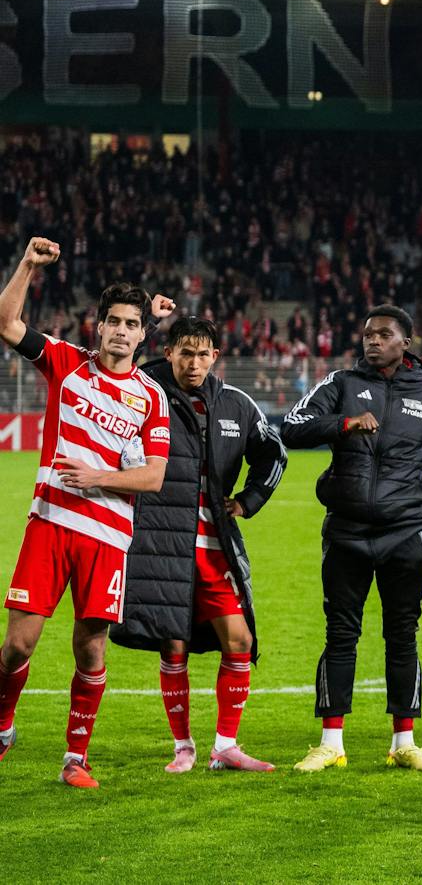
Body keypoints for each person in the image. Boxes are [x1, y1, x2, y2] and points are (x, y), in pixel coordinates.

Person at [0, 239, 170, 789]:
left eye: (131, 323)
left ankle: (76, 758)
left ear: (143, 334)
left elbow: (154, 476)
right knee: (18, 643)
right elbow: (5, 324)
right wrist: (28, 264)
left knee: (90, 646)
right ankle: (2, 728)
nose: (121, 330)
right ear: (97, 326)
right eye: (113, 321)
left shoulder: (151, 397)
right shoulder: (65, 363)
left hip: (108, 537)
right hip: (50, 524)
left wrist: (98, 477)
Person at [283, 303, 422, 773]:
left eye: (384, 334)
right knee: (340, 635)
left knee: (402, 636)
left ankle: (404, 741)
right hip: (346, 532)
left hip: (406, 536)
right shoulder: (341, 384)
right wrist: (344, 423)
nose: (372, 340)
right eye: (368, 334)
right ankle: (330, 743)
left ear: (406, 342)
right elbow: (292, 428)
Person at [112, 313, 287, 774]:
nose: (193, 363)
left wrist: (249, 500)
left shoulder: (236, 403)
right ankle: (183, 746)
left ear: (215, 356)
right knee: (174, 645)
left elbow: (275, 452)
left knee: (240, 640)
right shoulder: (144, 390)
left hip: (214, 545)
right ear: (167, 353)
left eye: (202, 354)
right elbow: (118, 362)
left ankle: (225, 746)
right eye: (184, 353)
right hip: (160, 544)